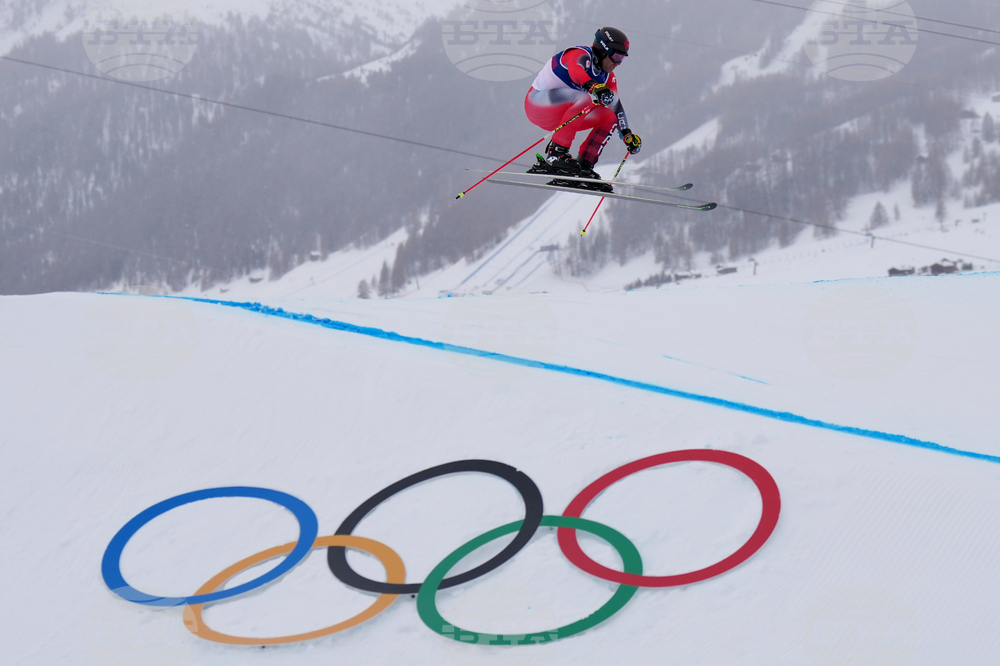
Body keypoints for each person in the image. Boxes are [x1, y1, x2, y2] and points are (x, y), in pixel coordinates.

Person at [524, 26, 642, 183]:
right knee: (585, 99)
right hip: (536, 104)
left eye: (622, 59)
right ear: (602, 51)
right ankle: (556, 155)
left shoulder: (607, 76)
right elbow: (576, 72)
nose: (618, 63)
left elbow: (615, 106)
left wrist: (627, 134)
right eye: (616, 57)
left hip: (562, 116)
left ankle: (584, 165)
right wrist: (593, 86)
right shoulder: (580, 54)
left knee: (609, 117)